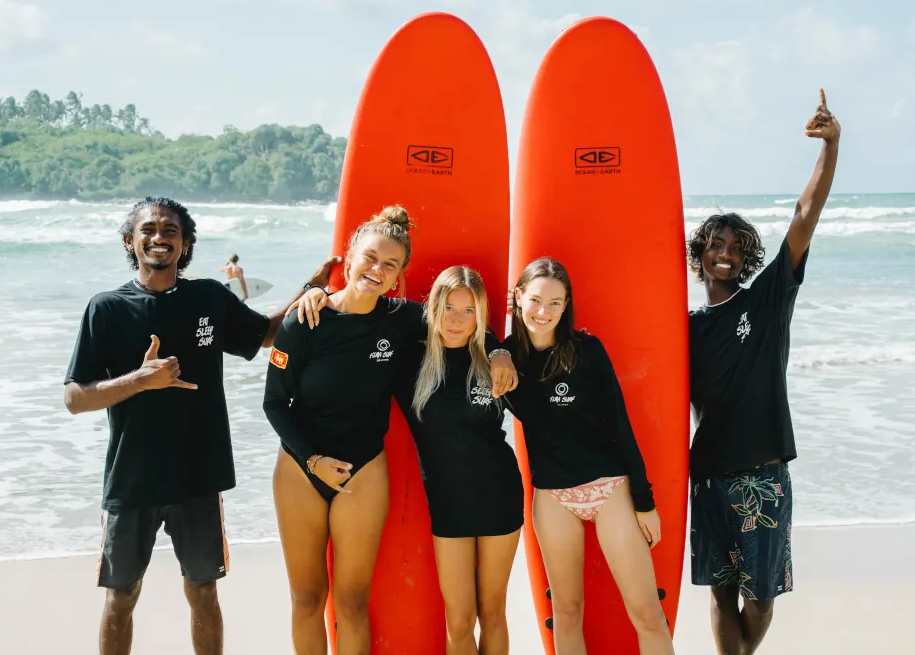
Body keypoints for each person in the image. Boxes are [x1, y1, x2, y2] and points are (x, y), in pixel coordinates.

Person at [62, 196, 338, 655]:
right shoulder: (107, 309)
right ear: (130, 242)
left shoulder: (209, 297)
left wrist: (308, 290)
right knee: (122, 594)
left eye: (170, 231)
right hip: (133, 477)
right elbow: (74, 398)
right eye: (148, 229)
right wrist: (140, 381)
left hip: (198, 474)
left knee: (202, 591)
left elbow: (265, 333)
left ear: (185, 243)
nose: (158, 238)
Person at [263, 206, 517, 655]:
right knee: (306, 600)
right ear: (349, 256)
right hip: (301, 467)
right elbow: (274, 404)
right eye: (370, 258)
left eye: (390, 265)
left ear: (399, 276)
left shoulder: (400, 319)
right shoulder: (304, 321)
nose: (377, 270)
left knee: (353, 602)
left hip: (364, 470)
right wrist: (313, 460)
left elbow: (460, 322)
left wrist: (499, 352)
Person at [686, 89, 841, 655]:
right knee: (721, 593)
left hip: (762, 473)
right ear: (700, 253)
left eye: (735, 246)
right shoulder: (686, 326)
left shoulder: (768, 300)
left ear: (747, 257)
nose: (724, 253)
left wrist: (831, 145)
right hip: (708, 476)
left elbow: (805, 215)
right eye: (715, 244)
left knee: (763, 598)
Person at [503, 258, 674, 655]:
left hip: (608, 487)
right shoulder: (506, 359)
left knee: (647, 611)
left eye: (555, 303)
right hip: (551, 497)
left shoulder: (587, 351)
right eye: (535, 300)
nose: (543, 312)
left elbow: (621, 426)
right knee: (565, 611)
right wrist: (496, 353)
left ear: (566, 307)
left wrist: (644, 503)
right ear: (518, 298)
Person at [393, 266, 523, 655]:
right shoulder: (410, 361)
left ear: (480, 315)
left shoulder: (494, 358)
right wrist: (314, 293)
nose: (456, 320)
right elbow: (362, 317)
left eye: (469, 311)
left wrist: (500, 350)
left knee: (493, 611)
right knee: (460, 618)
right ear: (433, 308)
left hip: (499, 492)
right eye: (449, 308)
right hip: (448, 503)